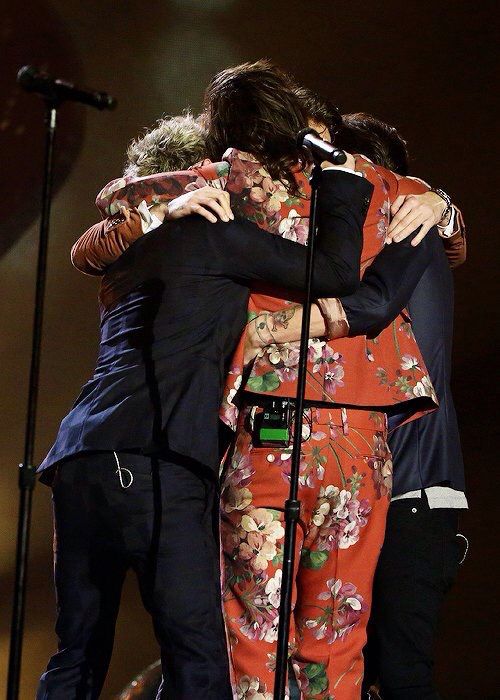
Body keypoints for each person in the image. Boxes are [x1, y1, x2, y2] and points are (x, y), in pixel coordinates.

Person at [71, 87, 454, 698]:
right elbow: (451, 238)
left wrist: (159, 206)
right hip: (356, 436)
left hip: (266, 433)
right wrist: (441, 203)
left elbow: (99, 235)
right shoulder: (372, 181)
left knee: (250, 632)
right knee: (335, 634)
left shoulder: (225, 182)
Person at [36, 61, 373, 700]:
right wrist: (342, 185)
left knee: (78, 650)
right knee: (198, 657)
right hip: (155, 453)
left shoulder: (135, 247)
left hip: (78, 458)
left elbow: (90, 245)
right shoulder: (216, 235)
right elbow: (332, 270)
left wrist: (157, 208)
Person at [243, 112, 467, 700]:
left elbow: (366, 308)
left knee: (390, 673)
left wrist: (262, 329)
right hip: (385, 485)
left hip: (408, 493)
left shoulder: (407, 243)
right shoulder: (417, 234)